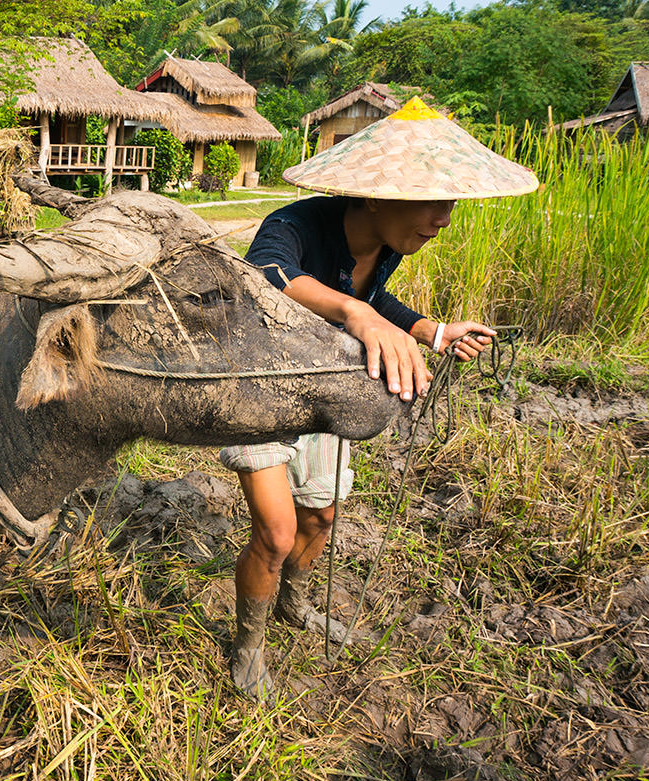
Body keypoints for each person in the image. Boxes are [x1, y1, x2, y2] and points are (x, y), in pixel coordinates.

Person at [225, 98, 539, 698]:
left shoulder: (391, 241)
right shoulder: (293, 227)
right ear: (374, 195)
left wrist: (431, 330)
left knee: (321, 515)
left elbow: (370, 295)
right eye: (431, 200)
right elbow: (267, 278)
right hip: (260, 381)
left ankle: (292, 601)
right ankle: (248, 647)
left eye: (450, 202)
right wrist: (356, 314)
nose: (444, 217)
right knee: (277, 531)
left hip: (325, 385)